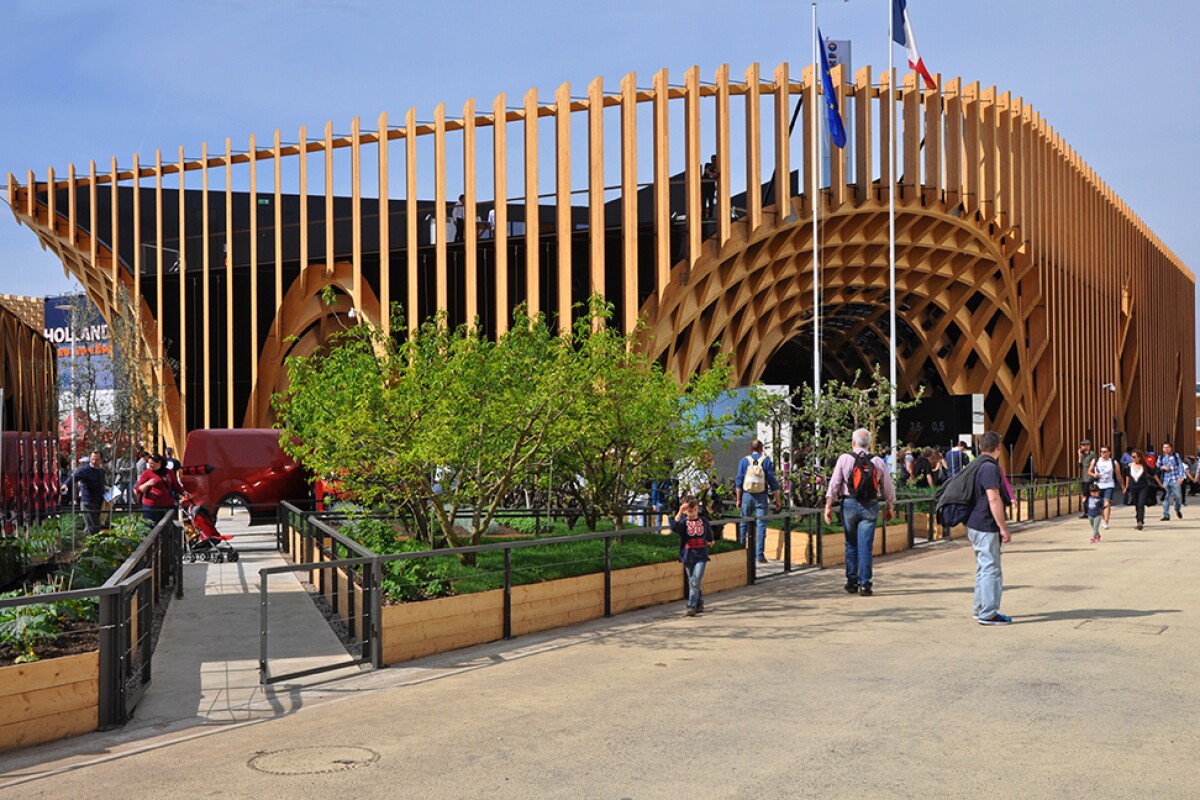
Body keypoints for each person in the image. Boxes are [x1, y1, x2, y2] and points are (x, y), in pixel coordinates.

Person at [823, 428, 896, 597]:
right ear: (869, 444)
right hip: (870, 505)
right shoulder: (877, 461)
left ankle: (851, 581)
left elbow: (834, 484)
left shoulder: (844, 458)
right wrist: (889, 507)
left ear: (853, 442)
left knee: (851, 544)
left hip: (849, 504)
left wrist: (828, 506)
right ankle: (865, 584)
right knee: (865, 547)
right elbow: (887, 487)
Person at [966, 430, 1013, 625]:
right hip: (986, 524)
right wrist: (1003, 527)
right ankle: (989, 613)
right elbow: (993, 498)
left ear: (980, 447)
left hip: (974, 522)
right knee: (991, 569)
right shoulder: (990, 468)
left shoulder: (976, 464)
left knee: (983, 567)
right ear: (999, 447)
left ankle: (980, 608)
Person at [735, 440, 781, 564]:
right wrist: (778, 499)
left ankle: (741, 552)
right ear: (761, 449)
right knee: (761, 525)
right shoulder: (766, 461)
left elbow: (739, 481)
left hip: (746, 495)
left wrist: (738, 499)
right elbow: (772, 481)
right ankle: (759, 555)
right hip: (761, 496)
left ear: (751, 449)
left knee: (744, 524)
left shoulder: (744, 461)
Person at [671, 495, 714, 616]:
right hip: (688, 555)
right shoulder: (684, 523)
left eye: (695, 510)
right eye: (689, 511)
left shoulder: (703, 521)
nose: (693, 513)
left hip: (701, 555)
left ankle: (691, 605)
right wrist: (680, 511)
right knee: (692, 580)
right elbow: (674, 527)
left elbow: (708, 531)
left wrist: (711, 539)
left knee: (695, 580)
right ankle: (699, 602)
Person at [61, 450, 107, 535]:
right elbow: (74, 477)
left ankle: (88, 541)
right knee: (93, 527)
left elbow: (102, 484)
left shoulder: (101, 471)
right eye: (92, 459)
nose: (94, 461)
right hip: (88, 501)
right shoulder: (85, 470)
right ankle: (92, 542)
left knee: (91, 526)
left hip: (98, 501)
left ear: (101, 460)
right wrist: (66, 484)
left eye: (96, 459)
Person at [134, 453, 184, 525]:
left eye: (152, 463)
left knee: (168, 527)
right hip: (151, 506)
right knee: (151, 527)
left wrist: (184, 492)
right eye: (149, 463)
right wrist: (147, 484)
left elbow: (176, 486)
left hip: (168, 505)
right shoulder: (147, 473)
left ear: (159, 462)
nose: (150, 465)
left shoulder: (169, 472)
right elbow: (138, 489)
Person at [1121, 449, 1162, 531]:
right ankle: (1138, 518)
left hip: (1143, 487)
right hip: (1133, 487)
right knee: (1136, 504)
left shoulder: (1145, 466)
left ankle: (1140, 520)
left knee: (1141, 503)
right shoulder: (1130, 466)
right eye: (1132, 457)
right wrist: (1126, 487)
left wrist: (1160, 484)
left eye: (1134, 457)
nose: (1132, 458)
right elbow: (1127, 477)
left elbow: (1154, 474)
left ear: (1139, 457)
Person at [1087, 445, 1118, 529]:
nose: (1103, 453)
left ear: (1109, 452)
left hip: (1109, 485)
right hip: (1098, 485)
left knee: (1107, 503)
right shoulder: (1095, 461)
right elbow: (1089, 471)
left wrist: (1123, 486)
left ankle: (1106, 522)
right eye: (1101, 452)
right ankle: (1104, 519)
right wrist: (1094, 475)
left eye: (1105, 452)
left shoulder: (1113, 462)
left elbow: (1118, 475)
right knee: (1100, 504)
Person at [1157, 441, 1186, 521]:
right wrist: (1163, 467)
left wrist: (1181, 477)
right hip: (1165, 480)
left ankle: (1177, 509)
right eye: (1164, 447)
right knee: (1165, 497)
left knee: (1178, 497)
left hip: (1175, 479)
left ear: (1171, 448)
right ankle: (1166, 515)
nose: (1166, 449)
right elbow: (1157, 467)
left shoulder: (1176, 456)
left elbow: (1181, 467)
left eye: (1167, 447)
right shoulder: (1161, 457)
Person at [1077, 440, 1097, 518]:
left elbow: (1094, 464)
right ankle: (1086, 512)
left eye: (1083, 445)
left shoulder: (1092, 454)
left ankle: (1091, 512)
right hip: (1084, 478)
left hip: (1090, 478)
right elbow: (1080, 466)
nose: (1082, 447)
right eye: (1081, 445)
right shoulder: (1082, 455)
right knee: (1085, 495)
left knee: (1090, 495)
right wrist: (1079, 456)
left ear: (1088, 446)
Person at [701, 154, 718, 219]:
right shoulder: (708, 164)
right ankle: (703, 215)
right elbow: (707, 171)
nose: (714, 161)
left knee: (711, 201)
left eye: (715, 160)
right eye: (713, 160)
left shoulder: (717, 167)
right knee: (704, 200)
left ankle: (710, 215)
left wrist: (715, 175)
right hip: (705, 185)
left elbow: (717, 176)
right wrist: (714, 174)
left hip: (711, 186)